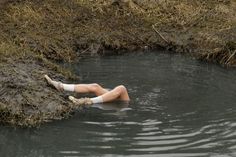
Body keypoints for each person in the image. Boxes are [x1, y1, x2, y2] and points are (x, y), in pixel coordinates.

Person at [44, 75, 130, 105]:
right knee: (95, 86)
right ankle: (61, 86)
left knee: (122, 88)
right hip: (116, 99)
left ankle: (86, 101)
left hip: (124, 103)